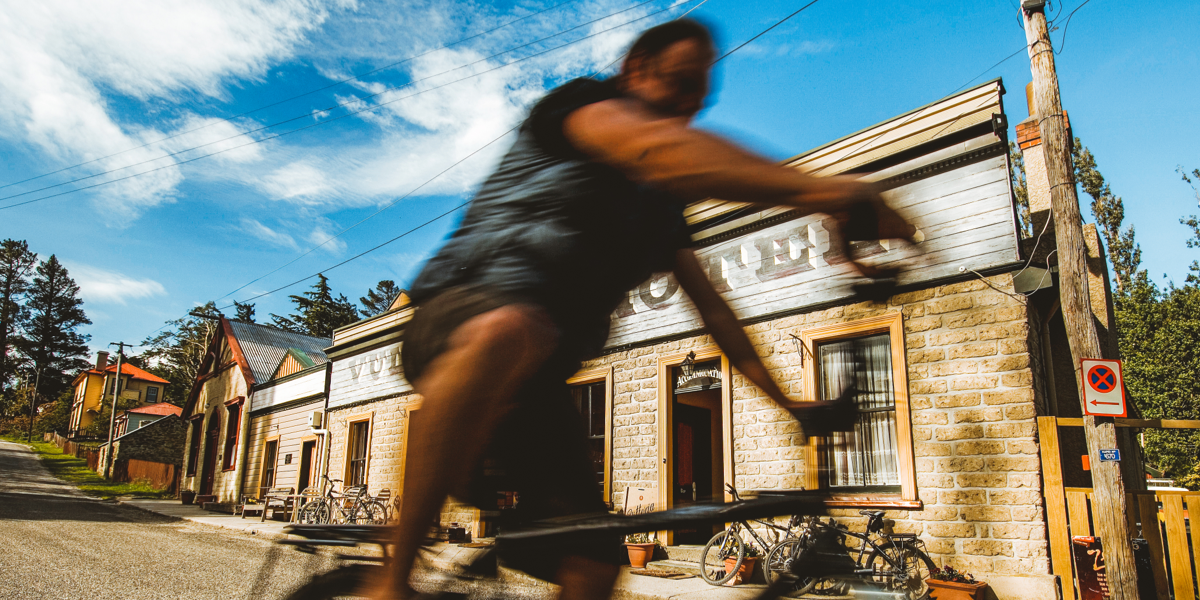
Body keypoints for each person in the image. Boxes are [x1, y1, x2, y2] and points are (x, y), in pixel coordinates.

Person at [371, 18, 916, 600]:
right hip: (458, 315)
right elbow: (655, 148)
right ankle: (390, 580)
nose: (686, 108)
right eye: (678, 84)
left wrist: (791, 404)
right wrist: (834, 193)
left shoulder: (659, 210)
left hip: (537, 383)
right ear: (635, 69)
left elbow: (718, 316)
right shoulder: (581, 106)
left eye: (698, 99)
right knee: (514, 325)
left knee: (594, 565)